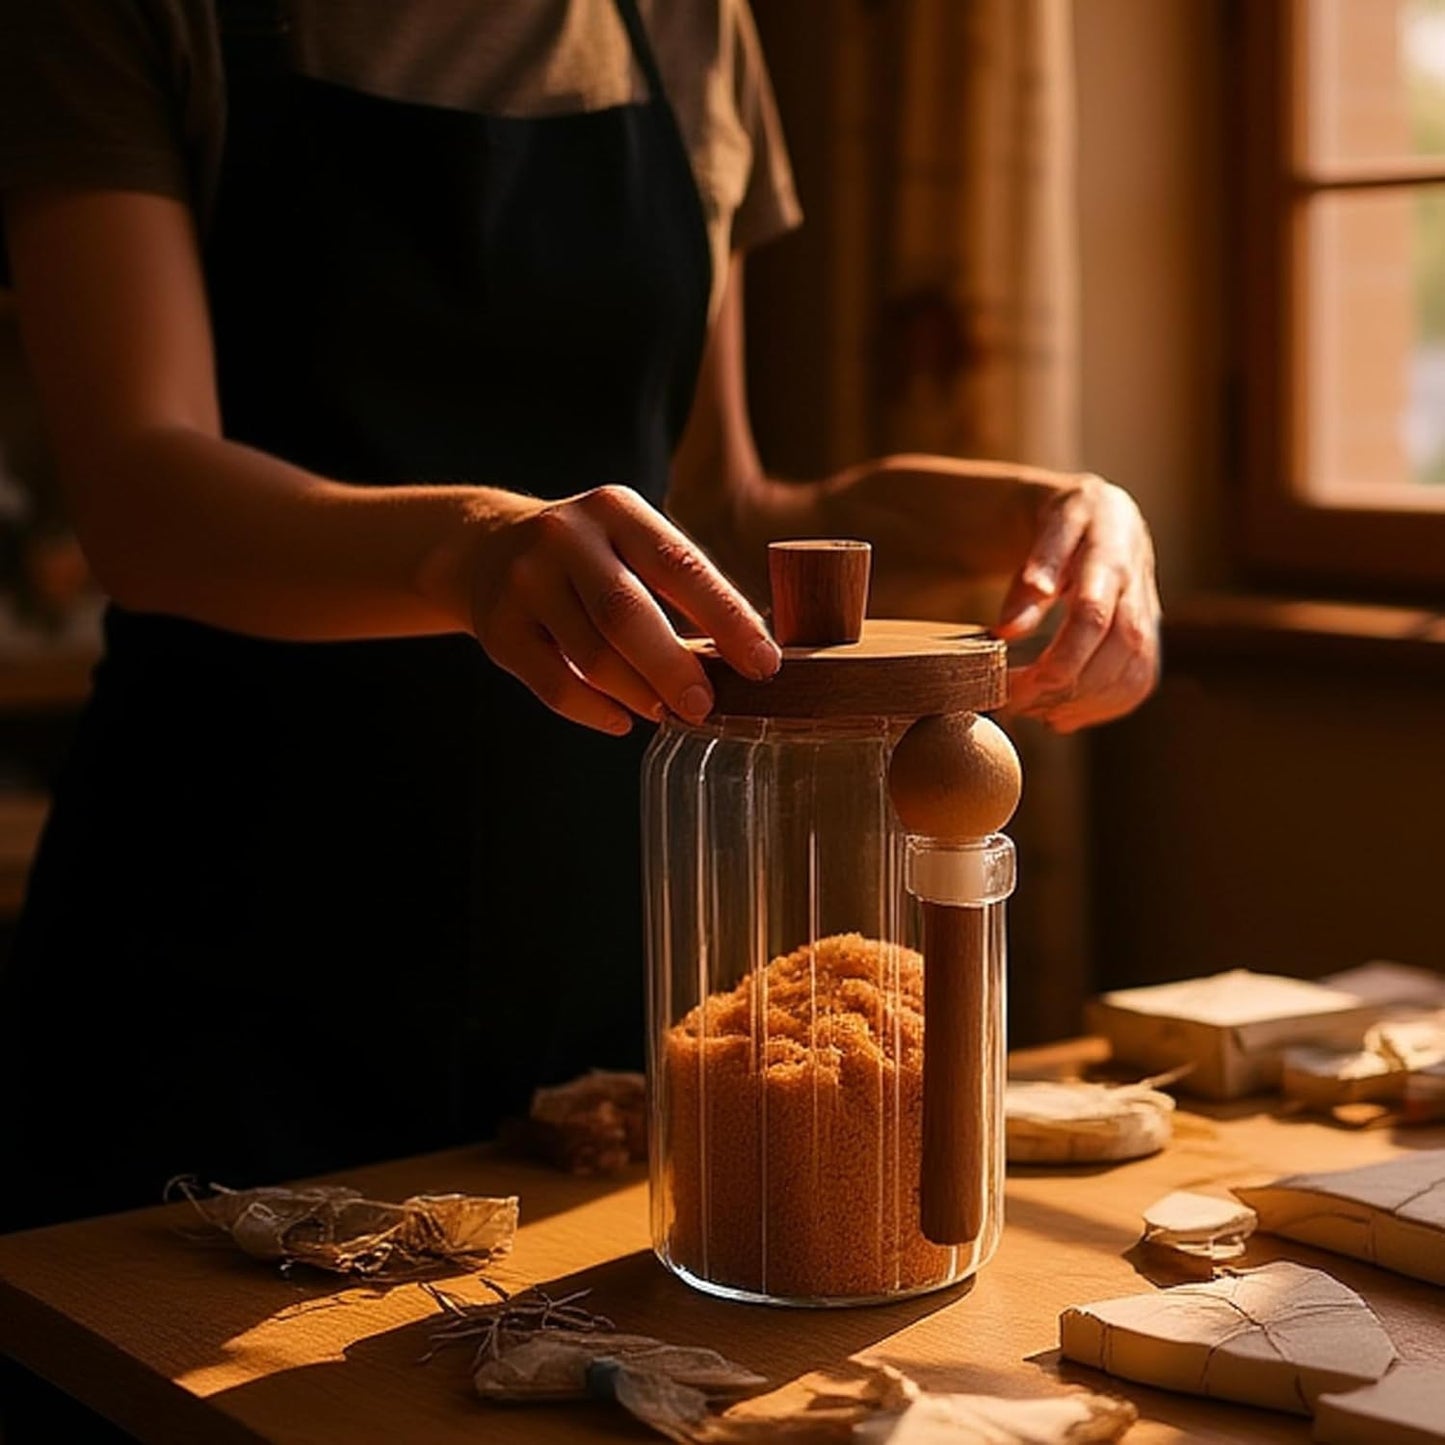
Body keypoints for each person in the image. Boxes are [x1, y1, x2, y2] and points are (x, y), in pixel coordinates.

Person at [0, 0, 1160, 1233]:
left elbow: (714, 506)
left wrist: (1050, 515)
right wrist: (469, 546)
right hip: (226, 944)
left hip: (598, 948)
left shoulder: (689, 27)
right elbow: (137, 494)